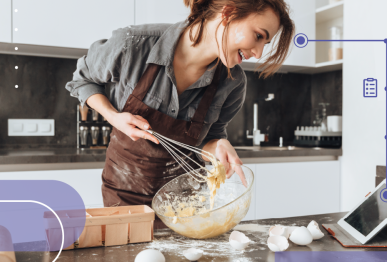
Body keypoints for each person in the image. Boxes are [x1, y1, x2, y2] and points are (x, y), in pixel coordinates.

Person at [65, 0, 294, 228]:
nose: (258, 52)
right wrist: (113, 116)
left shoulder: (232, 83)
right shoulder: (133, 45)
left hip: (187, 203)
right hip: (124, 194)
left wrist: (217, 146)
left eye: (266, 43)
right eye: (258, 36)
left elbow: (209, 137)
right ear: (229, 13)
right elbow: (82, 80)